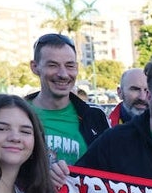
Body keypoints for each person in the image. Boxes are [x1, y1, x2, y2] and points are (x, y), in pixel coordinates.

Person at [26, 33, 109, 164]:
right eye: (53, 65)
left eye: (70, 66)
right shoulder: (17, 115)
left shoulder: (95, 116)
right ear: (35, 67)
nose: (63, 74)